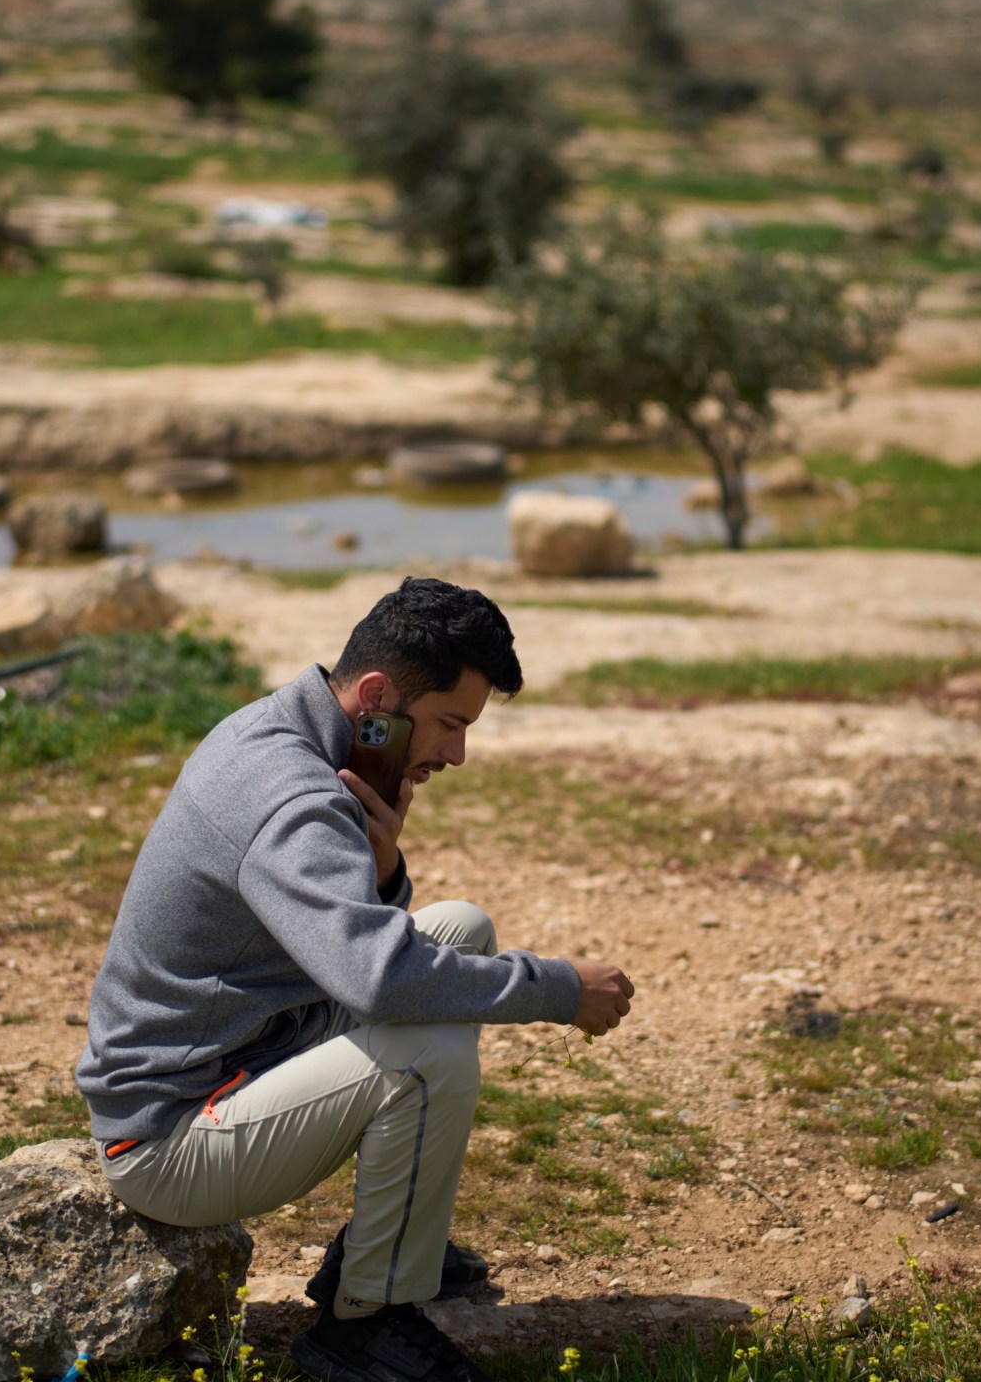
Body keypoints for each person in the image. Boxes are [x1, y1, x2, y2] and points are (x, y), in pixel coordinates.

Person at [76, 578, 635, 1382]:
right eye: (450, 724)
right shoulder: (292, 798)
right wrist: (556, 991)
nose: (456, 753)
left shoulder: (288, 735)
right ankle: (364, 1327)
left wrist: (382, 867)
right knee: (424, 1060)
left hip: (247, 1057)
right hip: (168, 1138)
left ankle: (385, 1247)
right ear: (377, 696)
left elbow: (357, 946)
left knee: (460, 929)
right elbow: (379, 981)